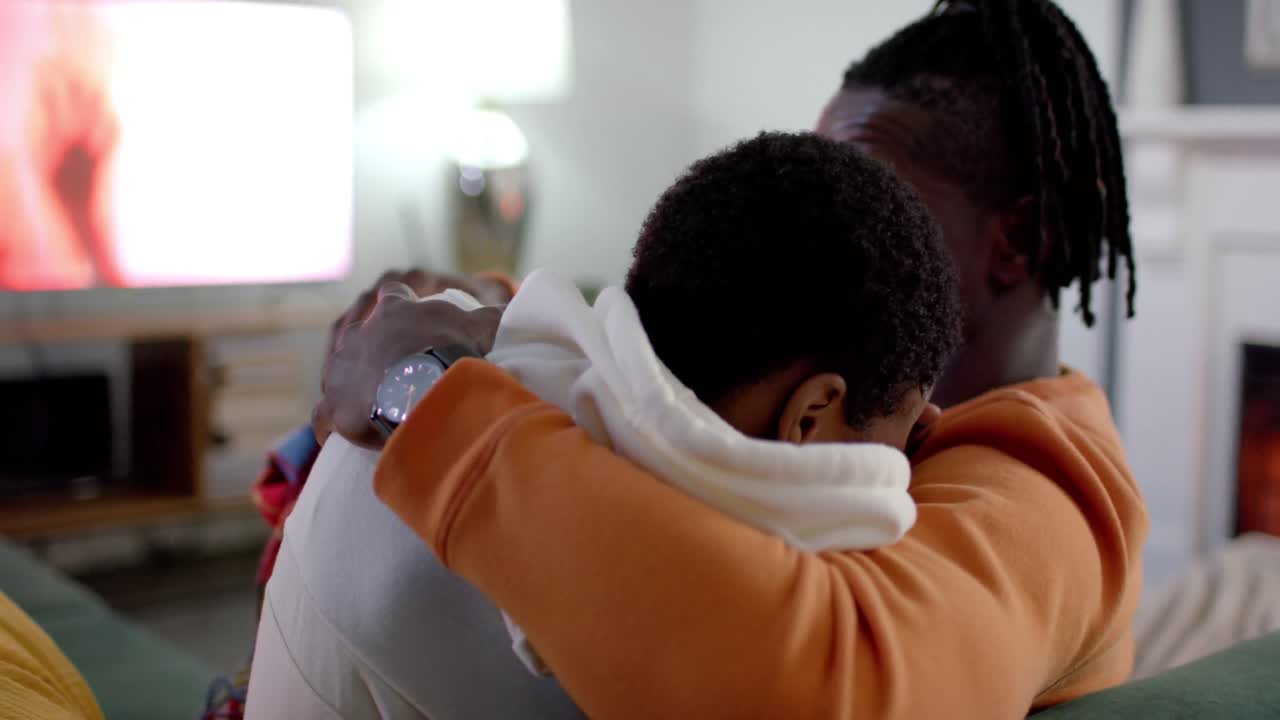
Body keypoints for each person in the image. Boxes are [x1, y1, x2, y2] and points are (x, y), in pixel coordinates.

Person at [315, 1, 1148, 718]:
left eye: (870, 189)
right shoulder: (838, 371)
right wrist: (481, 310)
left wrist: (427, 399)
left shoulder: (1048, 497)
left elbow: (829, 691)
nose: (819, 224)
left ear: (1021, 242)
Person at [245, 133, 962, 718]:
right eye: (894, 445)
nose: (901, 473)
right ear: (810, 414)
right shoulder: (655, 614)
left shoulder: (463, 373)